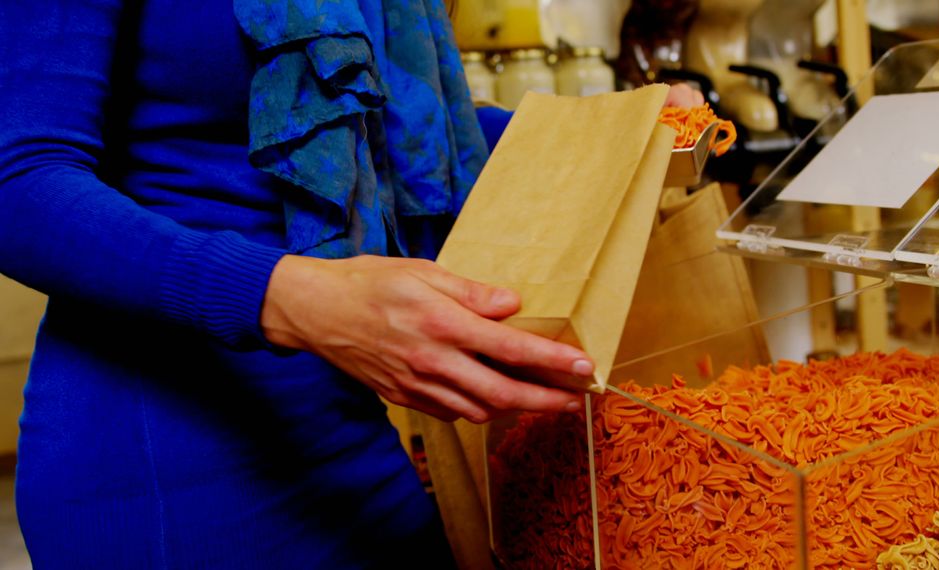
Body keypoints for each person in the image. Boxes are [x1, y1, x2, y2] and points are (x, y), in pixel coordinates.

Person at [0, 1, 597, 568]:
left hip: (343, 433)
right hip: (169, 467)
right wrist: (299, 300)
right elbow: (19, 185)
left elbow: (396, 127)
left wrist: (604, 131)